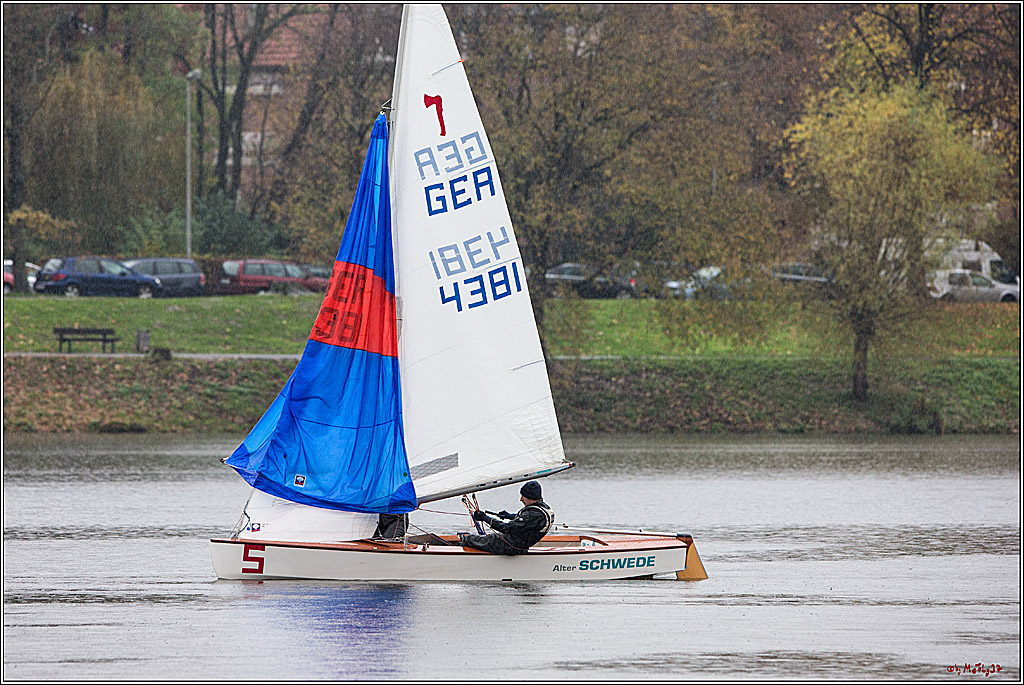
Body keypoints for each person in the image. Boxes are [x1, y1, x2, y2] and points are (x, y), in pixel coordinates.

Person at [457, 481, 553, 555]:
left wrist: (485, 518)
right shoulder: (543, 509)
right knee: (481, 539)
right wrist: (509, 516)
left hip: (509, 547)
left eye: (523, 496)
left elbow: (506, 528)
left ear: (530, 497)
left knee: (469, 539)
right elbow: (528, 523)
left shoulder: (532, 515)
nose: (521, 499)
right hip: (517, 544)